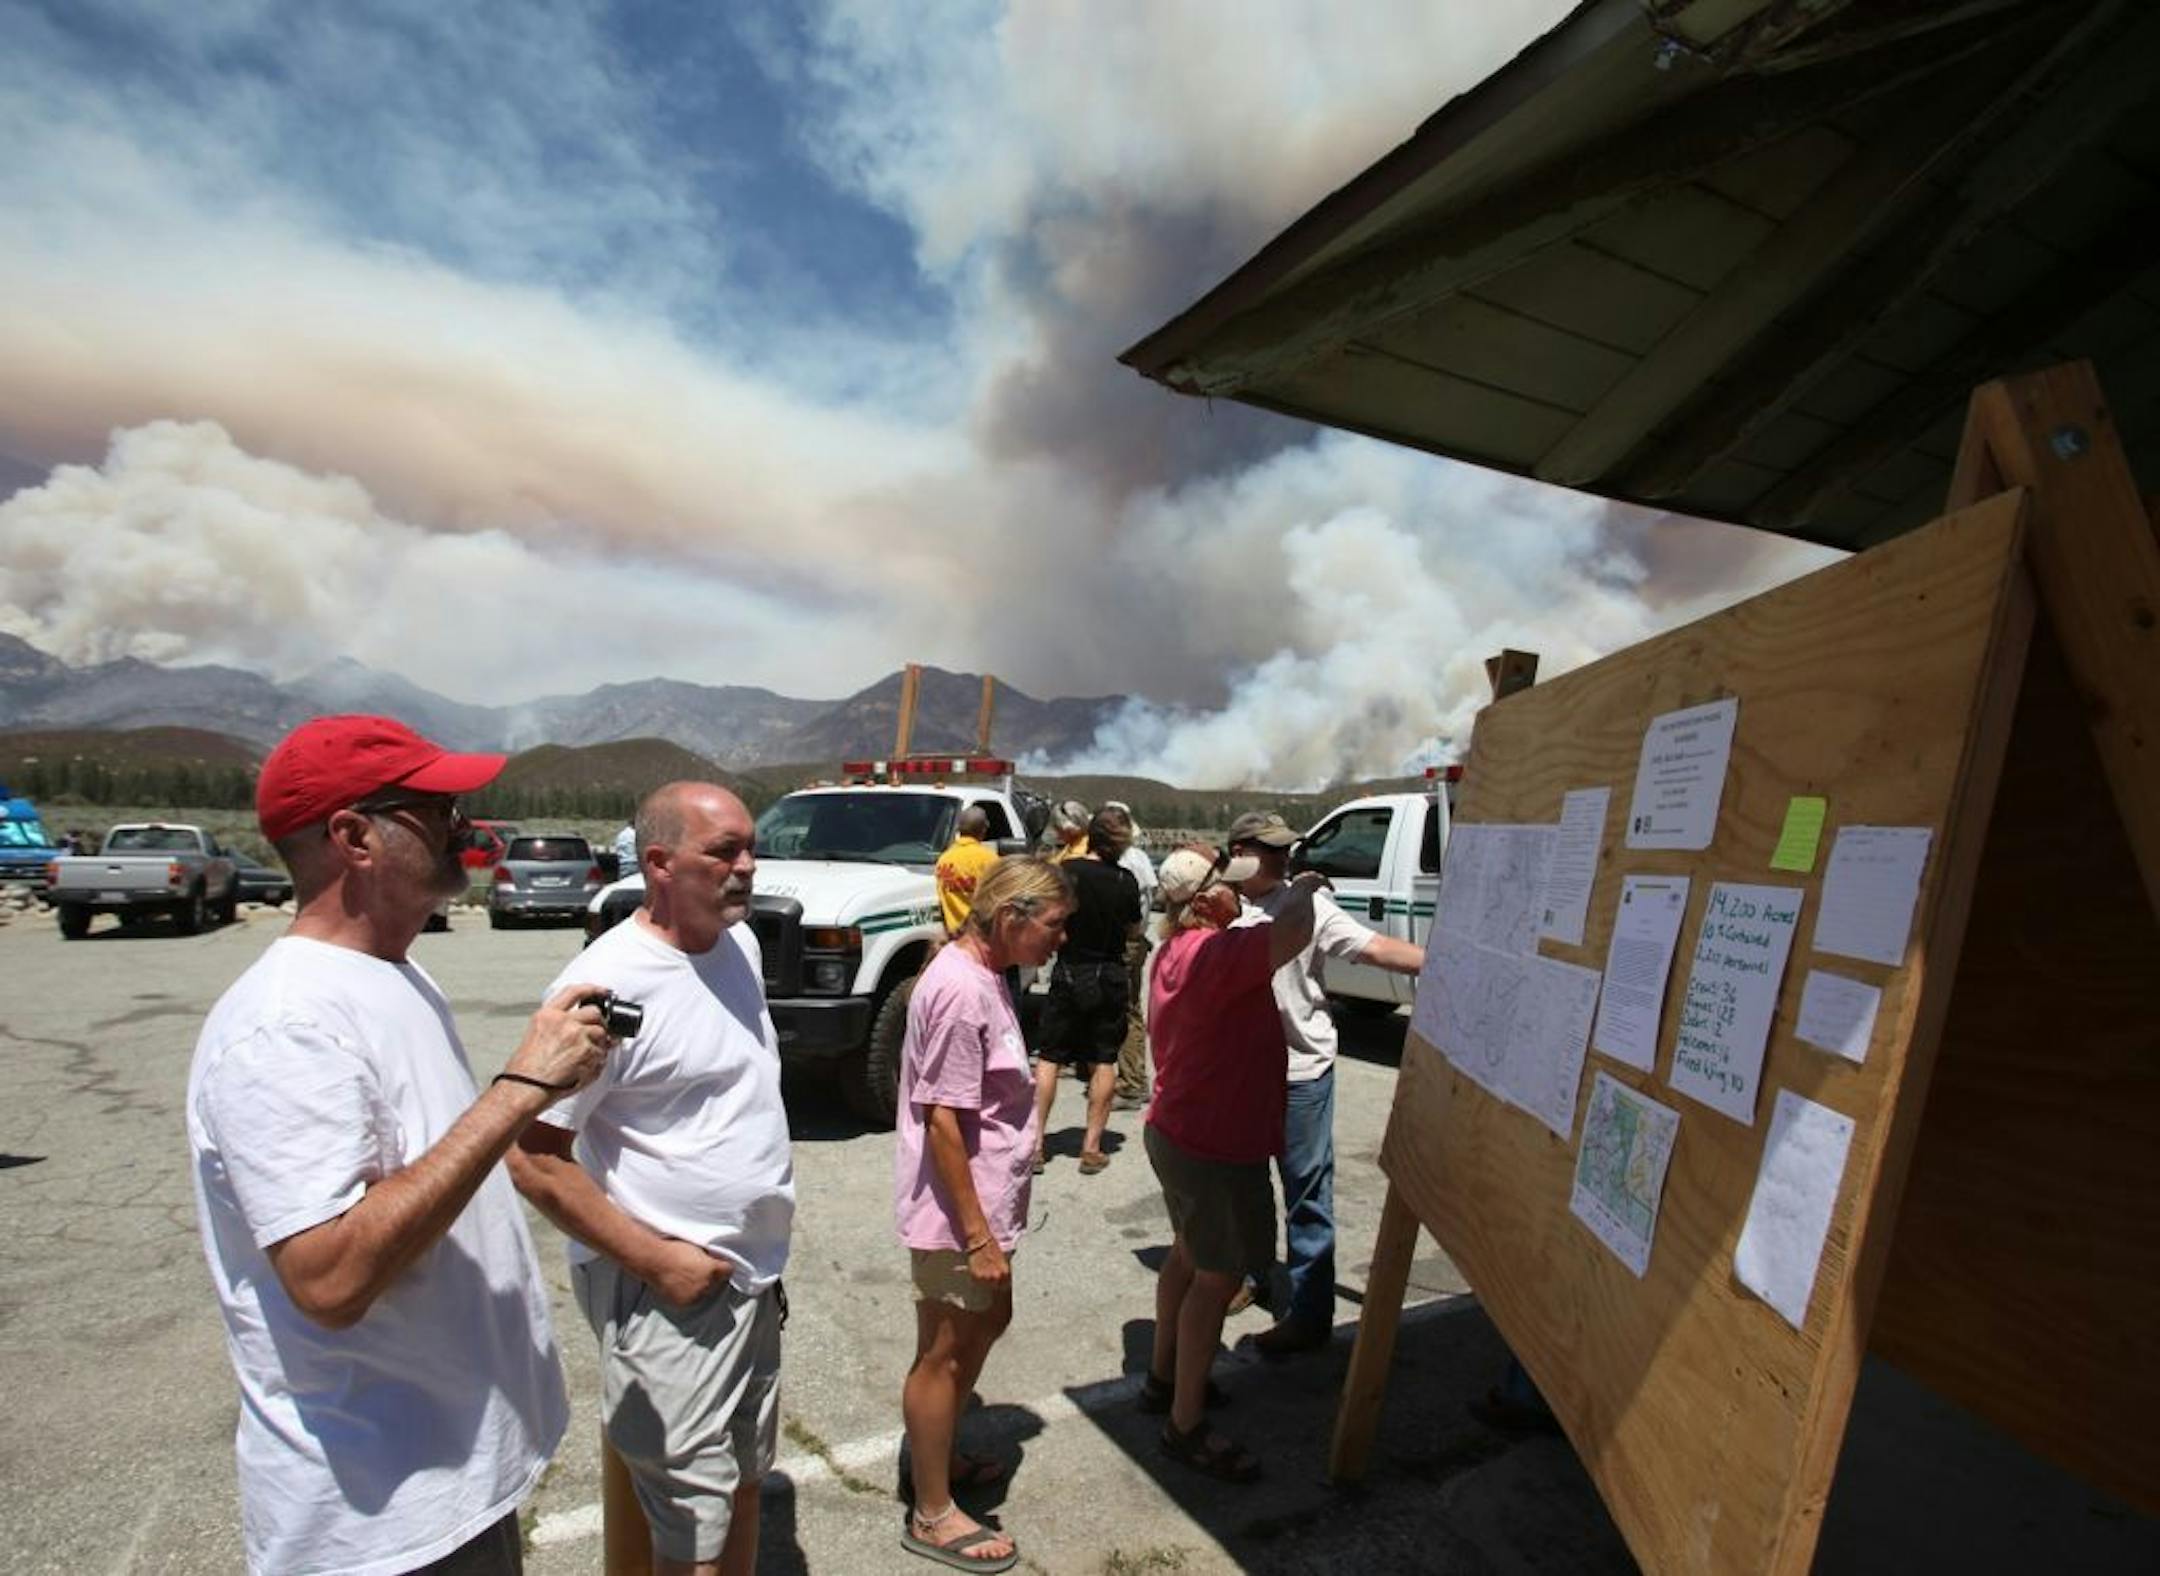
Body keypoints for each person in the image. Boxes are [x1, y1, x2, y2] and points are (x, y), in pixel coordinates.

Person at [186, 714, 613, 1576]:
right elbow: (330, 1277)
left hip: (452, 1484)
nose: (462, 822)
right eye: (433, 807)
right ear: (353, 837)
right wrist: (520, 1089)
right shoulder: (284, 1025)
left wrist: (539, 1081)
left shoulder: (396, 971)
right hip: (377, 1521)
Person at [507, 782, 793, 1576]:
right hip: (674, 1291)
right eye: (723, 851)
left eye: (749, 847)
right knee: (687, 1544)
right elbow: (533, 1157)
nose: (746, 867)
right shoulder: (605, 989)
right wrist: (660, 1262)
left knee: (741, 1486)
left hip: (751, 1277)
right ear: (659, 862)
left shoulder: (740, 946)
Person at [894, 857, 1073, 1572]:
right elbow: (942, 1121)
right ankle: (932, 1512)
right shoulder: (963, 989)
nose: (1059, 940)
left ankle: (937, 1458)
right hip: (957, 1216)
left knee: (984, 1326)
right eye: (1054, 926)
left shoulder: (987, 975)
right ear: (1012, 917)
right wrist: (976, 1237)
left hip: (984, 1207)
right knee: (944, 1353)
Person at [1141, 844, 1328, 1482]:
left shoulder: (1172, 951)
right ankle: (1185, 1425)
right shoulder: (1217, 956)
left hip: (1180, 1130)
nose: (1235, 894)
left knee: (1187, 1256)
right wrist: (1303, 884)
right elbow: (1293, 930)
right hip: (1212, 1141)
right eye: (1225, 888)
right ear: (1202, 901)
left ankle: (1164, 1379)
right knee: (1217, 1279)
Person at [1227, 810, 1425, 1358]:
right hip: (1240, 1074)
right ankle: (1250, 1274)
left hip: (1299, 1072)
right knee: (1242, 1186)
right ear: (1240, 850)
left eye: (1286, 849)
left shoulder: (1308, 903)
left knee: (1306, 1193)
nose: (1283, 858)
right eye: (1270, 850)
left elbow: (1376, 950)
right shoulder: (1217, 906)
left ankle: (1310, 1314)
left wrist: (1445, 964)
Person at [1031, 809, 1141, 1174]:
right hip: (1108, 973)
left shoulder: (1069, 873)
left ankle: (1035, 1145)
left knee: (1050, 1056)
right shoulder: (1126, 881)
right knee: (1104, 1058)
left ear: (1090, 835)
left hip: (1069, 970)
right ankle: (1092, 1147)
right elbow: (1132, 931)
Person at [1102, 802, 1157, 1111]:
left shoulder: (1125, 862)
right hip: (1137, 940)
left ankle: (1133, 1082)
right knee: (1129, 1007)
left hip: (1126, 942)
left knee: (1126, 1010)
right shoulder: (1141, 859)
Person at [934, 804, 1001, 936]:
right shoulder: (990, 859)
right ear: (983, 829)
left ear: (959, 829)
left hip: (953, 936)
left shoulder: (944, 860)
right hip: (981, 938)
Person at [1045, 799, 1090, 863]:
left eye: (1058, 829)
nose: (1057, 834)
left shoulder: (1077, 854)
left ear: (1069, 830)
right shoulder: (1073, 843)